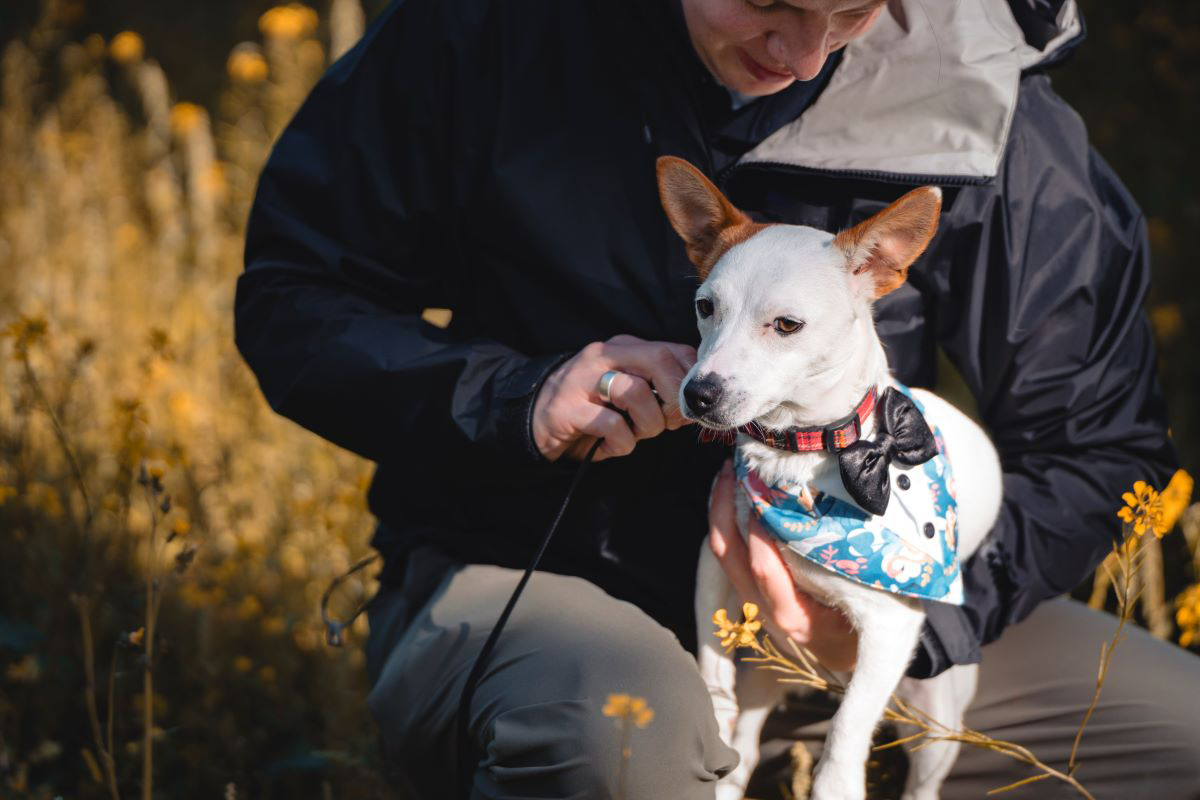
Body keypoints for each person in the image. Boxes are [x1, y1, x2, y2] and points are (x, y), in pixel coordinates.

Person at [234, 0, 1200, 797]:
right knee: (620, 746)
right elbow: (296, 296)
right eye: (770, 4)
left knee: (1181, 740)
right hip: (544, 573)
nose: (802, 53)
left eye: (851, 12)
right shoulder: (487, 34)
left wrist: (929, 611)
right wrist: (514, 398)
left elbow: (1098, 447)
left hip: (884, 602)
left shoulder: (981, 99)